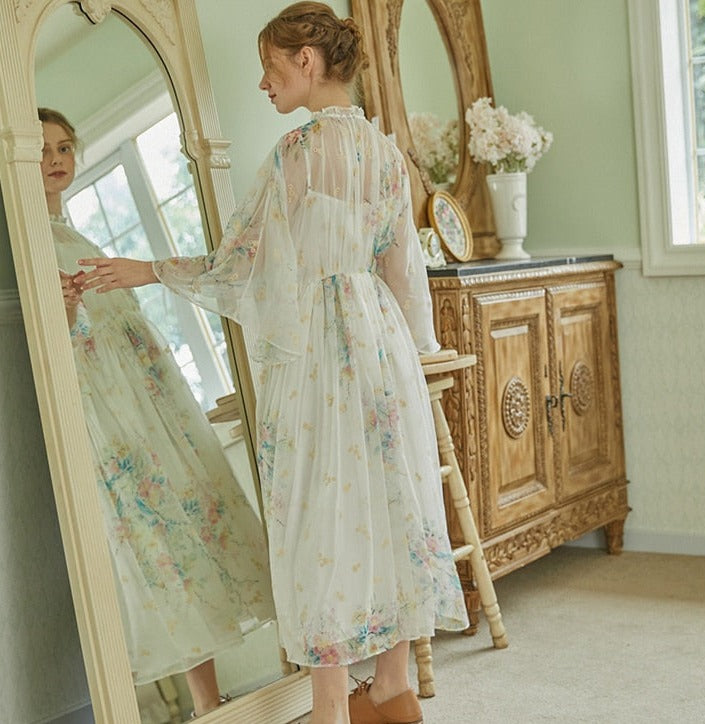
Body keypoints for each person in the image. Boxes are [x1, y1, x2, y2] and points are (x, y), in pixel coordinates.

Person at [76, 3, 470, 723]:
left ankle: (329, 707)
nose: (264, 83)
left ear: (305, 62)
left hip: (319, 347)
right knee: (389, 502)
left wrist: (151, 270)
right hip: (380, 340)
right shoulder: (386, 153)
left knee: (318, 517)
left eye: (270, 66)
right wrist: (417, 350)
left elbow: (241, 264)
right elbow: (403, 269)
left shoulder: (299, 151)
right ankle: (392, 685)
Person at [39, 107, 276, 718]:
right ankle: (198, 702)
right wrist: (67, 311)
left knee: (186, 530)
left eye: (64, 146)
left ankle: (209, 701)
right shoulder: (29, 244)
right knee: (153, 543)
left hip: (149, 407)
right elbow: (50, 350)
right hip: (109, 418)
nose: (56, 159)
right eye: (41, 150)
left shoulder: (72, 234)